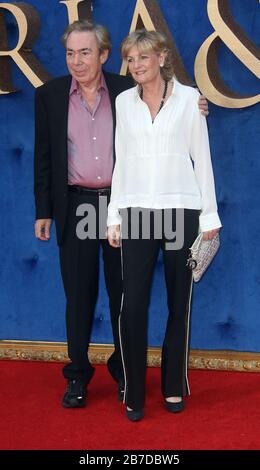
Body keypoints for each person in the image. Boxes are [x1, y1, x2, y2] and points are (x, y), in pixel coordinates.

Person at [34, 20, 209, 409]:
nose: (76, 61)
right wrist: (43, 210)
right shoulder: (49, 95)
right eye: (70, 53)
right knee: (78, 296)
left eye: (84, 52)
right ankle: (77, 376)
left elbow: (167, 101)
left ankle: (123, 375)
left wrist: (195, 103)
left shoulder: (126, 88)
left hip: (122, 203)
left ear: (103, 55)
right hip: (78, 204)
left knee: (124, 295)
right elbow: (44, 157)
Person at [107, 29, 221, 421]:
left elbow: (201, 159)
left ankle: (174, 385)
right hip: (136, 212)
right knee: (132, 306)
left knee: (179, 304)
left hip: (182, 211)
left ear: (161, 57)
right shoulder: (123, 103)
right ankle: (134, 391)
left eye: (142, 57)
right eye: (130, 59)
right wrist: (113, 216)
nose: (136, 66)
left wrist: (210, 216)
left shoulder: (190, 100)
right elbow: (120, 160)